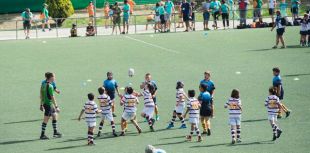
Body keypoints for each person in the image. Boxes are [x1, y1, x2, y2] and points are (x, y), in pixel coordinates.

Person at [39, 72, 62, 139]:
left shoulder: (43, 84)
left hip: (47, 104)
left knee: (55, 115)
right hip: (48, 104)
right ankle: (42, 135)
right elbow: (52, 97)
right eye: (54, 77)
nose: (54, 78)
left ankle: (55, 132)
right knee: (46, 119)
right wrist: (57, 106)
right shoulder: (50, 86)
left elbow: (41, 95)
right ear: (51, 77)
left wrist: (41, 104)